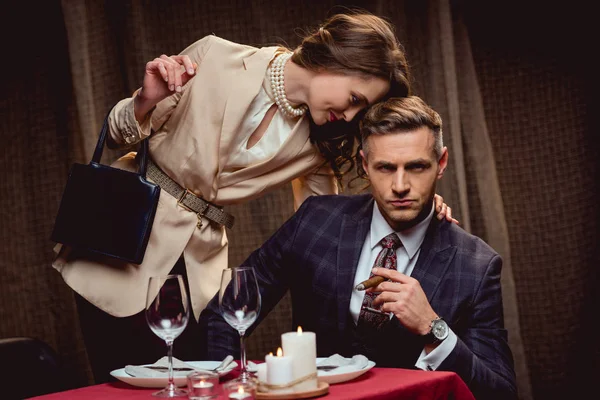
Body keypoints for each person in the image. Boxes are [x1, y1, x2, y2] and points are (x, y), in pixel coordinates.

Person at [52, 11, 455, 383]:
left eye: (361, 108)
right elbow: (119, 134)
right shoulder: (215, 57)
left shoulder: (319, 146)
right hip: (120, 233)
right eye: (354, 99)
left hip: (199, 265)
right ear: (333, 58)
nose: (350, 116)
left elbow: (326, 222)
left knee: (193, 386)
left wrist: (414, 208)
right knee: (120, 384)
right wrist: (147, 98)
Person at [200, 96, 517, 399]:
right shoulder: (316, 220)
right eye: (385, 168)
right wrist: (228, 389)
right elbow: (224, 314)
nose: (400, 186)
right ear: (365, 164)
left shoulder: (477, 265)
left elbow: (499, 391)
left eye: (417, 167)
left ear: (441, 162)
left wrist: (433, 327)